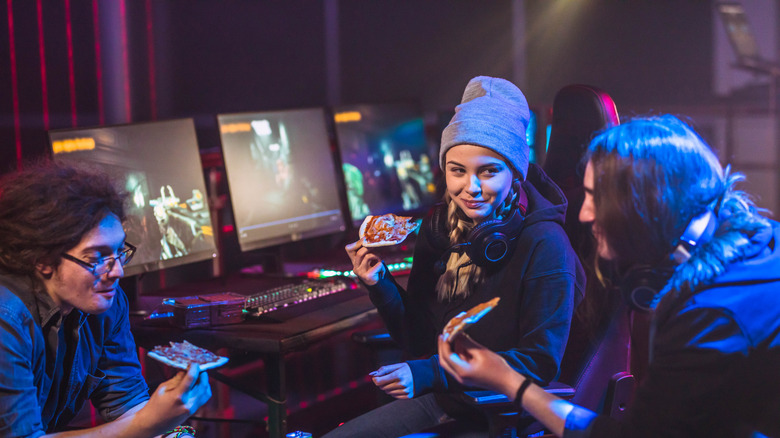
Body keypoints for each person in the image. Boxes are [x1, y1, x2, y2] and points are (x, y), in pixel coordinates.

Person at [439, 114, 780, 437]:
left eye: (595, 198)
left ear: (646, 205)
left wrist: (509, 381)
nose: (585, 213)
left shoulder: (707, 316)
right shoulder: (762, 243)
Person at [324, 76, 585, 437]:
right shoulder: (438, 229)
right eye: (457, 170)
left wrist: (429, 373)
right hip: (444, 399)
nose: (470, 188)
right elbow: (417, 339)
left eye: (489, 171)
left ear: (515, 173)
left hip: (497, 411)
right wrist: (379, 283)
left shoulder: (546, 243)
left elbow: (539, 363)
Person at [0, 162, 212, 437]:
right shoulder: (7, 319)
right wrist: (146, 424)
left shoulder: (106, 304)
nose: (118, 272)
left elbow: (126, 404)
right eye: (97, 258)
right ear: (43, 260)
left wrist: (168, 427)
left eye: (119, 251)